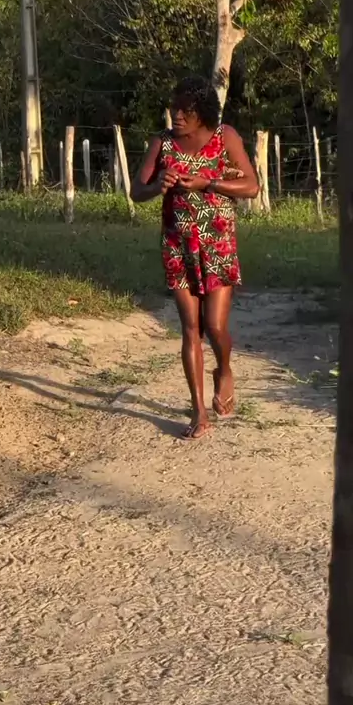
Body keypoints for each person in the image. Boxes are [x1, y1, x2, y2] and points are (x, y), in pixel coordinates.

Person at [131, 75, 259, 440]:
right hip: (179, 246)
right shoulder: (162, 143)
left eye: (185, 111)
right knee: (190, 329)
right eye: (174, 109)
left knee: (215, 327)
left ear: (202, 112)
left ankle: (224, 370)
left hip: (217, 245)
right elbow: (137, 190)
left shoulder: (225, 137)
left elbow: (251, 186)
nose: (177, 116)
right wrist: (159, 185)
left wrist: (208, 183)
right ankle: (198, 411)